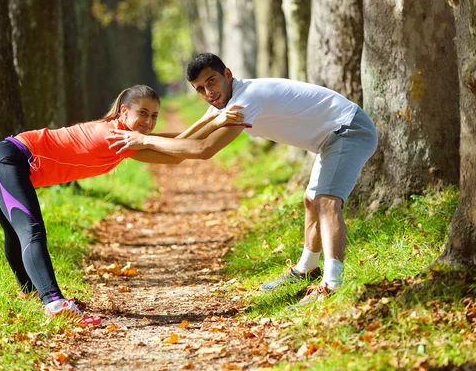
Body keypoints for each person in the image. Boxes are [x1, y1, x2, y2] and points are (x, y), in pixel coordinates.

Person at [106, 54, 378, 308]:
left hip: (348, 129)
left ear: (227, 74)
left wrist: (144, 140)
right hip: (330, 139)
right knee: (311, 201)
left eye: (211, 81)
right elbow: (181, 145)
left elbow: (203, 150)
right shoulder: (221, 105)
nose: (208, 92)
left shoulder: (245, 100)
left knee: (326, 201)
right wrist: (128, 150)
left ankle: (332, 285)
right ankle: (306, 270)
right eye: (200, 89)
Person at [0, 84, 245, 324]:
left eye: (154, 116)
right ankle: (54, 302)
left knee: (16, 234)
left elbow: (173, 152)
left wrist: (212, 121)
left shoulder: (125, 139)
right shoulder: (113, 137)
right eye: (143, 113)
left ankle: (33, 296)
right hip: (8, 160)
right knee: (30, 231)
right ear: (124, 111)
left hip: (2, 161)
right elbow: (176, 146)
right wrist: (214, 121)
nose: (149, 122)